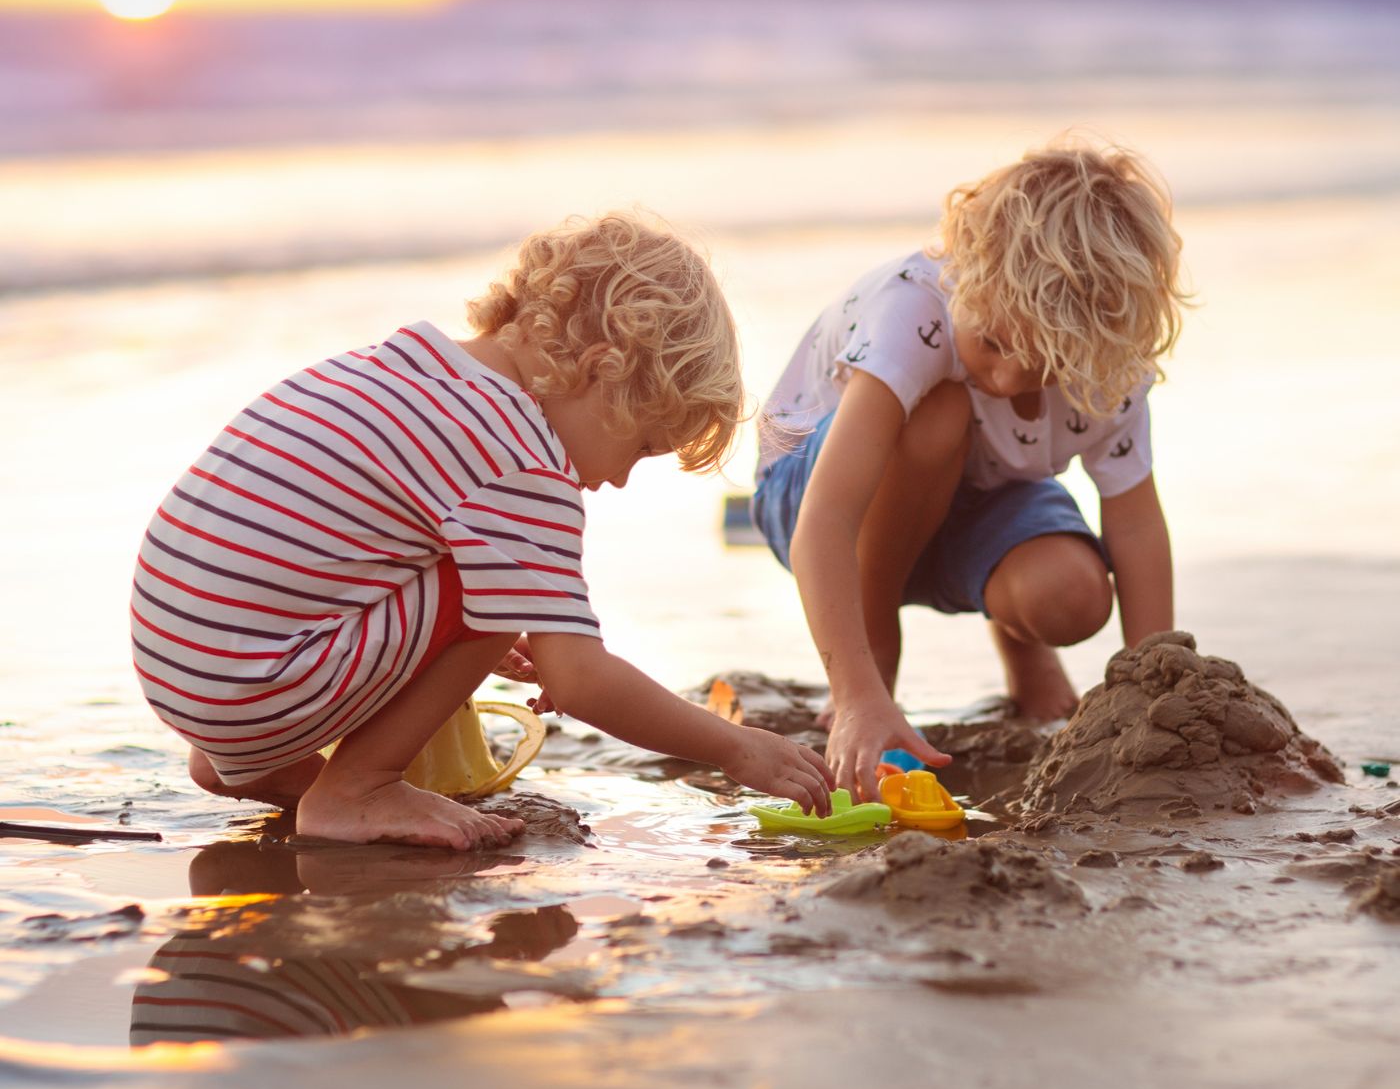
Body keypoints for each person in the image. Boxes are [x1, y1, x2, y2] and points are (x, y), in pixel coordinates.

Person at [131, 212, 833, 850]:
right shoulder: (524, 456)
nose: (619, 480)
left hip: (181, 668)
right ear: (602, 374)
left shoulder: (402, 367)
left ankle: (242, 758)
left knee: (502, 589)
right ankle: (357, 789)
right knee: (499, 590)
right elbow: (583, 682)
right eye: (644, 445)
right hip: (259, 686)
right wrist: (738, 749)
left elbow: (314, 547)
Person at [751, 140, 1190, 801]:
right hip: (819, 494)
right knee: (942, 411)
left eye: (1043, 364)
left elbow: (1133, 525)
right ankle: (876, 667)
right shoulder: (914, 311)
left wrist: (1154, 686)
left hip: (975, 494)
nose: (1009, 375)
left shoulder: (1107, 362)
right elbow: (827, 519)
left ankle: (1025, 653)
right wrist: (856, 691)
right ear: (970, 275)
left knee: (1075, 595)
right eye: (993, 340)